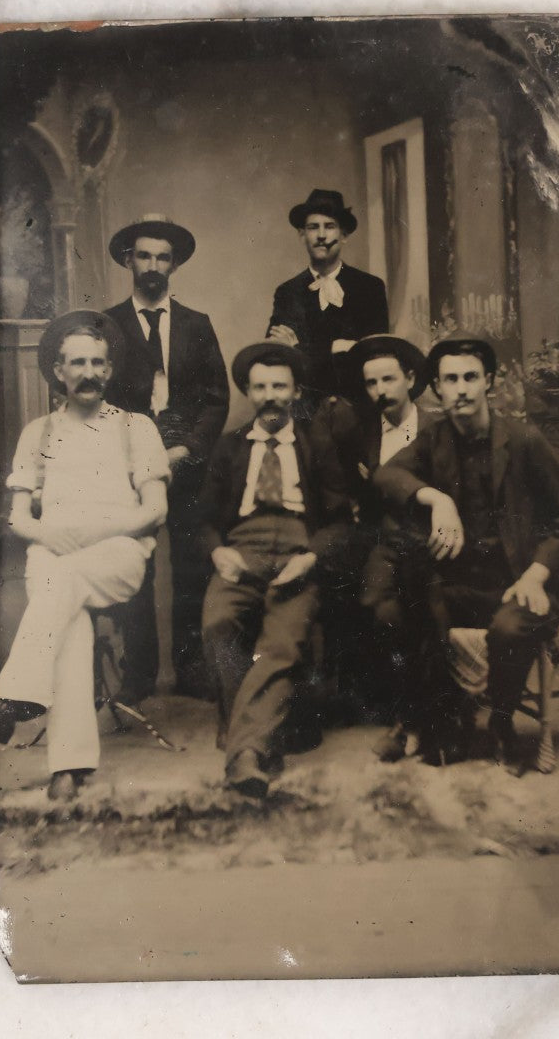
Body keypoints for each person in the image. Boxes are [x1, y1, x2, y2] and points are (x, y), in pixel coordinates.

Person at [372, 332, 559, 766]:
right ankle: (433, 721)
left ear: (489, 381)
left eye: (471, 377)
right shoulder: (435, 441)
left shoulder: (523, 441)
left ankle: (501, 723)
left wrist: (537, 574)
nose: (462, 388)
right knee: (398, 609)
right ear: (436, 389)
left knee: (509, 629)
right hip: (463, 583)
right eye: (450, 379)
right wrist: (437, 499)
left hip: (518, 582)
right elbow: (386, 477)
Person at [0, 311, 170, 801]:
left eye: (97, 362)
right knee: (69, 621)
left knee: (58, 588)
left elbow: (154, 510)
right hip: (53, 552)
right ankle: (67, 768)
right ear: (58, 372)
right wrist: (52, 535)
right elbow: (20, 519)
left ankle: (14, 695)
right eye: (77, 363)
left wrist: (90, 532)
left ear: (109, 370)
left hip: (117, 552)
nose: (88, 372)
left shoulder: (137, 428)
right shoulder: (38, 433)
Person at [198, 342, 351, 799]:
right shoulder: (229, 448)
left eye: (279, 386)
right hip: (242, 551)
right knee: (218, 623)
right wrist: (218, 553)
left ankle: (245, 753)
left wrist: (311, 557)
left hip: (296, 553)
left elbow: (343, 519)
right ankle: (262, 737)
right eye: (260, 386)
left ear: (295, 391)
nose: (269, 396)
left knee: (281, 643)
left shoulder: (315, 442)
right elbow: (203, 519)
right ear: (247, 391)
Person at [105, 214, 229, 700]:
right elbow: (102, 396)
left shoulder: (197, 325)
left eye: (162, 257)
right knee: (135, 562)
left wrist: (186, 450)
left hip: (187, 463)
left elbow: (217, 398)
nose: (153, 265)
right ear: (127, 260)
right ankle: (138, 673)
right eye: (144, 255)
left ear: (172, 264)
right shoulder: (108, 325)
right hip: (128, 465)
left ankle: (190, 668)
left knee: (191, 564)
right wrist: (135, 455)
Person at [309, 334, 435, 727]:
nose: (381, 391)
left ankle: (425, 703)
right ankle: (375, 698)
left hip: (429, 539)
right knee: (362, 597)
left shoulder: (436, 427)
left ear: (410, 379)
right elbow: (343, 481)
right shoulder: (361, 433)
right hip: (379, 538)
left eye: (389, 379)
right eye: (371, 383)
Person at [266, 189, 388, 412]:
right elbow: (278, 356)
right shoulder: (287, 292)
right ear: (302, 234)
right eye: (313, 227)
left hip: (358, 409)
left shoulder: (370, 287)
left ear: (344, 235)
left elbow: (372, 355)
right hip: (304, 412)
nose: (321, 235)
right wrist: (339, 347)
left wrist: (301, 349)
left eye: (329, 226)